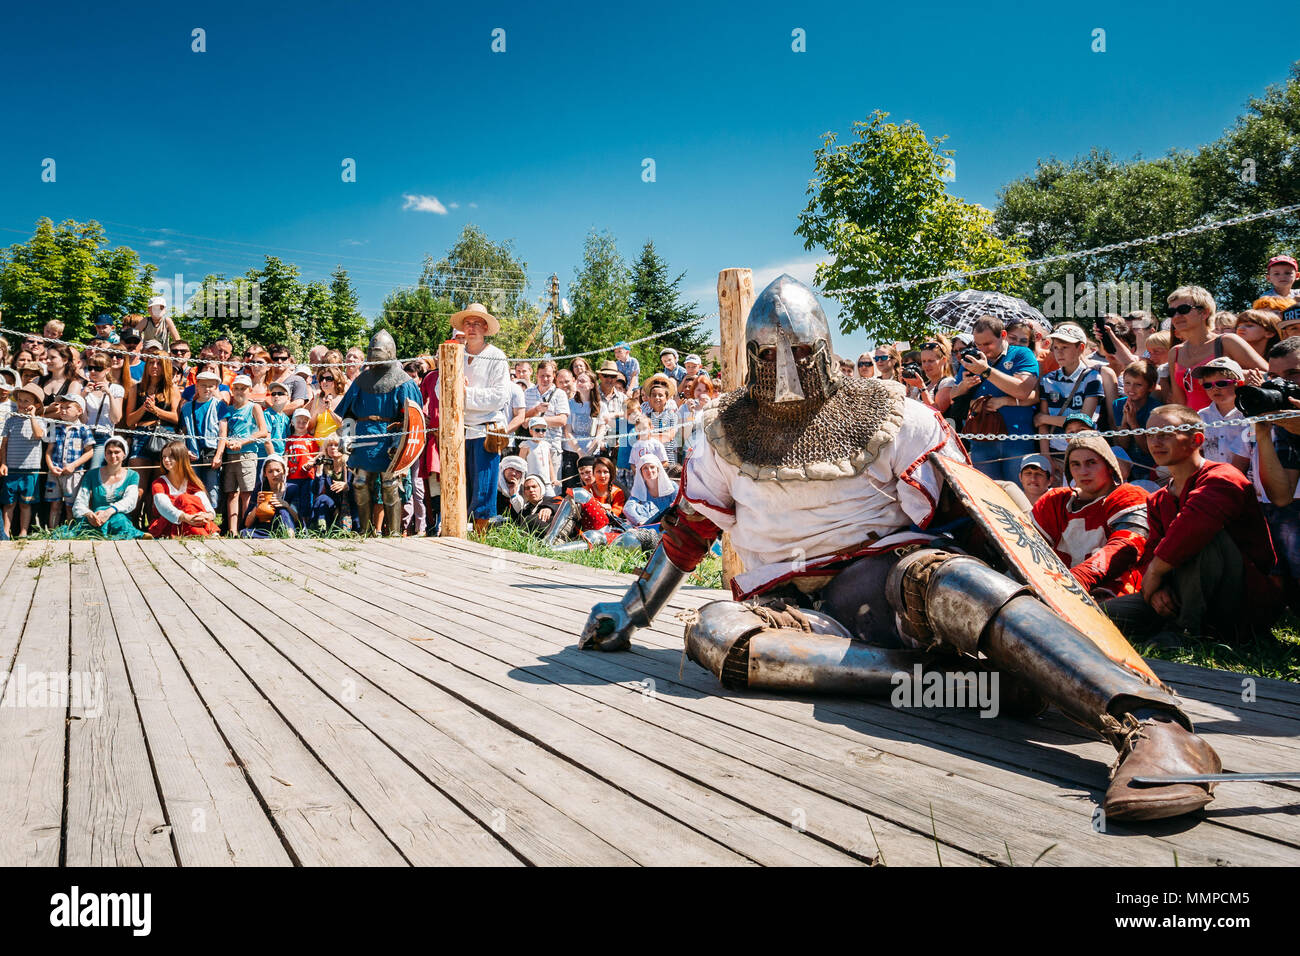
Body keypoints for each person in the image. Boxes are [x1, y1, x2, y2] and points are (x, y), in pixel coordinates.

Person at [581, 274, 1220, 823]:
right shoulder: (725, 435)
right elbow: (689, 534)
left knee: (957, 582)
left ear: (823, 348)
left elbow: (974, 515)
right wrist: (631, 608)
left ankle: (1152, 725)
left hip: (891, 579)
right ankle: (964, 685)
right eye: (766, 352)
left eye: (795, 351)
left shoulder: (894, 413)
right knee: (717, 634)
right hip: (798, 617)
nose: (780, 367)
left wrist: (1037, 610)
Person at [1106, 405, 1281, 646]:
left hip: (1240, 600)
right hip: (1180, 592)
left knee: (1200, 539)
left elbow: (1193, 527)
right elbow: (1150, 552)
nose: (1155, 442)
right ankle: (1171, 621)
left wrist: (1156, 572)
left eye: (1165, 433)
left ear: (1196, 439)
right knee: (1106, 615)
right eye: (1150, 434)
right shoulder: (1158, 499)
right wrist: (1157, 590)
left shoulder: (1224, 476)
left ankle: (1186, 632)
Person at [1031, 434, 1150, 599]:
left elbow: (1124, 549)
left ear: (1109, 466)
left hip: (1111, 593)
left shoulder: (1128, 496)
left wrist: (1074, 580)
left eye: (1091, 463)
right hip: (1056, 592)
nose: (1083, 472)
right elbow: (1029, 548)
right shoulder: (1054, 501)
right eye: (1075, 465)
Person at [432, 305, 507, 534]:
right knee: (457, 487)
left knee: (483, 490)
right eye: (468, 323)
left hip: (486, 430)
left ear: (485, 327)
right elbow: (438, 389)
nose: (472, 328)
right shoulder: (455, 353)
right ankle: (457, 536)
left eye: (476, 323)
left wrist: (465, 393)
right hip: (459, 429)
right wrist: (454, 388)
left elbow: (499, 397)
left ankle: (482, 539)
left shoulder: (496, 356)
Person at [950, 315, 1040, 482]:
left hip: (1017, 440)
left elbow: (1023, 390)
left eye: (988, 344)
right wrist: (965, 386)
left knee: (1018, 497)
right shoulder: (973, 358)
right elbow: (952, 395)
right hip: (981, 440)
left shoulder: (1021, 353)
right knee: (987, 498)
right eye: (978, 344)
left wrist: (986, 371)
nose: (983, 349)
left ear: (1003, 335)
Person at [1166, 285, 1265, 411]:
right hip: (1195, 427)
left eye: (1183, 309)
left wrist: (1236, 376)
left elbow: (1270, 375)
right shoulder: (1174, 352)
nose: (1176, 316)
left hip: (1234, 424)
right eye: (1171, 312)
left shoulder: (1227, 342)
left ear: (1204, 313)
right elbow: (1179, 401)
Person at [1035, 323, 1103, 470]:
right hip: (1055, 452)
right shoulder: (1047, 380)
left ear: (1081, 348)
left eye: (1065, 348)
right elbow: (1042, 424)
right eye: (1056, 348)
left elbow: (1084, 420)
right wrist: (1045, 455)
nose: (1059, 353)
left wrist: (1045, 418)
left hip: (1084, 449)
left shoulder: (1092, 378)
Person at [56, 436, 144, 540]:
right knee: (87, 524)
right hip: (96, 519)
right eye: (109, 452)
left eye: (117, 452)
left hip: (117, 517)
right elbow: (80, 501)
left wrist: (109, 511)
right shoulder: (92, 474)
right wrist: (89, 514)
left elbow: (130, 501)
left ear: (124, 454)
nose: (113, 456)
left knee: (119, 520)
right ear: (105, 454)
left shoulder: (132, 475)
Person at [214, 375, 269, 534]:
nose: (239, 391)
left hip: (248, 454)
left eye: (243, 388)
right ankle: (233, 530)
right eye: (236, 388)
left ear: (250, 391)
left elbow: (263, 431)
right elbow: (224, 432)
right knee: (231, 493)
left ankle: (247, 528)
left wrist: (243, 442)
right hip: (230, 455)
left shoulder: (253, 407)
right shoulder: (229, 409)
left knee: (246, 493)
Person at [0, 383, 47, 538]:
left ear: (35, 405)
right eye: (20, 400)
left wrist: (33, 416)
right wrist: (3, 463)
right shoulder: (11, 420)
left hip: (30, 469)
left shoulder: (39, 420)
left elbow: (39, 435)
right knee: (9, 503)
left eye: (26, 401)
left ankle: (23, 532)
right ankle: (6, 532)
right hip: (11, 468)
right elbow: (4, 444)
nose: (21, 404)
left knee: (25, 503)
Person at [43, 394, 96, 528]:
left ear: (79, 411)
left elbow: (90, 451)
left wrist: (73, 466)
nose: (63, 410)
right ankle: (52, 532)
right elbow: (49, 451)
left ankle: (71, 533)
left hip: (74, 475)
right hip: (55, 473)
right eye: (61, 407)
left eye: (68, 407)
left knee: (70, 506)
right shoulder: (55, 427)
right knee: (55, 505)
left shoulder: (83, 429)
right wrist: (51, 467)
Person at [124, 351, 180, 476]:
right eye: (151, 363)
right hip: (141, 435)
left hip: (165, 436)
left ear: (165, 366)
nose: (154, 366)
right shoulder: (136, 388)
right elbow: (129, 421)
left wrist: (156, 410)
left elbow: (176, 418)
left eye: (159, 363)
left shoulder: (172, 389)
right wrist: (144, 408)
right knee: (138, 484)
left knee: (159, 483)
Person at [148, 441, 219, 538]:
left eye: (171, 456)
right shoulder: (159, 483)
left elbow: (205, 505)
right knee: (184, 499)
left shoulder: (192, 482)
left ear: (181, 458)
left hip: (194, 522)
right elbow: (164, 507)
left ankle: (200, 533)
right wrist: (186, 518)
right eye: (164, 457)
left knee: (188, 500)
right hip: (168, 523)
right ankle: (205, 534)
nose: (166, 460)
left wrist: (207, 516)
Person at [179, 370, 227, 507]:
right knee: (193, 485)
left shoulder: (219, 405)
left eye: (211, 386)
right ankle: (195, 513)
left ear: (216, 388)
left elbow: (223, 432)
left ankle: (211, 516)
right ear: (197, 386)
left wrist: (219, 455)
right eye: (203, 385)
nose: (207, 389)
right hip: (193, 452)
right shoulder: (187, 407)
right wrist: (185, 450)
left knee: (212, 486)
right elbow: (183, 431)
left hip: (211, 451)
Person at [1192, 358, 1249, 471]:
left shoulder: (1249, 415)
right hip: (1212, 478)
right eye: (1208, 385)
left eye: (1221, 384)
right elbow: (1199, 453)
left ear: (1239, 384)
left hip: (1245, 480)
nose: (1215, 389)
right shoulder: (1201, 416)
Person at [1111, 359, 1161, 483]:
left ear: (1151, 386)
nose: (1131, 388)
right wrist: (1124, 423)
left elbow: (1147, 449)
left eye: (1138, 384)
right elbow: (1122, 446)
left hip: (1148, 467)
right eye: (1127, 383)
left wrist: (1133, 423)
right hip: (1127, 465)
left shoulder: (1156, 409)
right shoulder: (1118, 404)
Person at [80, 354, 124, 470]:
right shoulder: (84, 389)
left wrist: (109, 394)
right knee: (80, 472)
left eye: (98, 369)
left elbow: (116, 418)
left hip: (103, 435)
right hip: (85, 435)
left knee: (95, 470)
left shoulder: (116, 389)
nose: (93, 371)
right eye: (90, 368)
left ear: (107, 370)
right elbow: (83, 419)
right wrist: (83, 396)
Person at [241, 455, 299, 537]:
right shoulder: (259, 490)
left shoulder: (291, 488)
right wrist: (257, 506)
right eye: (270, 471)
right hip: (265, 529)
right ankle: (275, 537)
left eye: (278, 470)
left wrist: (286, 506)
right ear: (265, 474)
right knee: (244, 533)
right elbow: (247, 524)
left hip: (287, 527)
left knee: (282, 510)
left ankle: (288, 535)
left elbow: (297, 519)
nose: (275, 474)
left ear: (284, 471)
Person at [310, 437, 355, 532]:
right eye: (330, 445)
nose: (333, 448)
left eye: (336, 445)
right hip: (332, 506)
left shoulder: (351, 465)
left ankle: (316, 527)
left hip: (350, 505)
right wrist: (319, 470)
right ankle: (321, 530)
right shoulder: (325, 466)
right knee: (321, 499)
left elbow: (360, 488)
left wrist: (347, 486)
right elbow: (316, 491)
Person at [624, 454, 678, 526]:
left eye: (652, 467)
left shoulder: (671, 486)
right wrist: (640, 521)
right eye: (645, 468)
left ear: (658, 469)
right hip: (648, 527)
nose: (649, 471)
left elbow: (678, 506)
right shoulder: (640, 489)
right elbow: (627, 508)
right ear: (641, 472)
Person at [284, 409, 318, 520]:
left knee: (306, 502)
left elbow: (316, 456)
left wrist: (311, 463)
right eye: (298, 421)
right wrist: (285, 467)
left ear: (308, 424)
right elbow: (286, 455)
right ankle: (293, 524)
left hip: (307, 476)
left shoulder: (311, 440)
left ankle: (305, 526)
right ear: (292, 422)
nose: (301, 424)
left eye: (304, 422)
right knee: (292, 501)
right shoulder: (289, 439)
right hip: (292, 477)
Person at [642, 376, 680, 464]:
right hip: (650, 459)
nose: (657, 398)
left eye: (661, 395)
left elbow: (670, 436)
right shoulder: (645, 416)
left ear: (667, 398)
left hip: (668, 459)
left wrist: (648, 436)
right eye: (654, 395)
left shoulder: (672, 416)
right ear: (649, 398)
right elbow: (640, 437)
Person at [520, 416, 561, 495]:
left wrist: (553, 479)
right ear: (531, 431)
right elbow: (520, 465)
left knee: (551, 500)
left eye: (543, 430)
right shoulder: (526, 445)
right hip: (532, 484)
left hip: (546, 482)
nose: (541, 433)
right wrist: (522, 481)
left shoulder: (546, 445)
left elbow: (549, 463)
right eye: (537, 430)